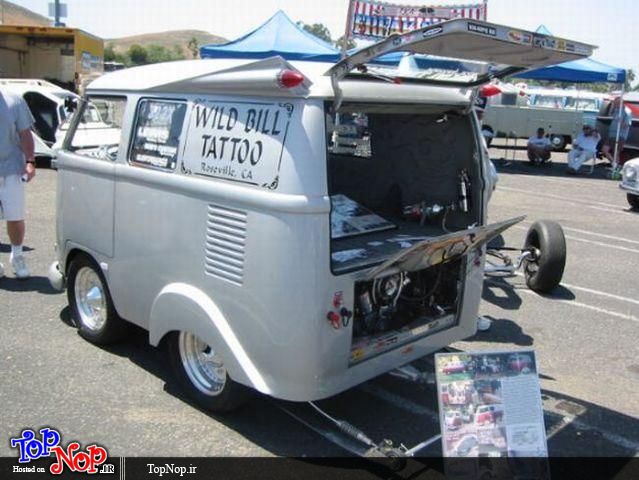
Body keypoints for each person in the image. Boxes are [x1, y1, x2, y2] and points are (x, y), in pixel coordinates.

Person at [0, 88, 36, 279]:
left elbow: (25, 133)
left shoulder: (14, 100)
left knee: (15, 217)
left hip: (11, 169)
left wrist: (30, 161)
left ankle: (17, 255)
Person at [602, 97, 633, 165]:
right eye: (615, 102)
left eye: (616, 103)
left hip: (620, 135)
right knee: (604, 149)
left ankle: (615, 165)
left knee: (616, 152)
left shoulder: (627, 111)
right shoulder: (616, 110)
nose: (615, 104)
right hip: (611, 134)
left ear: (621, 103)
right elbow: (609, 114)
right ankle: (614, 164)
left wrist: (620, 121)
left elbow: (626, 125)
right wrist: (613, 107)